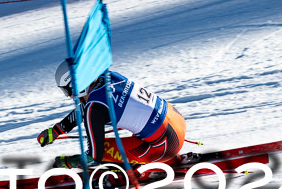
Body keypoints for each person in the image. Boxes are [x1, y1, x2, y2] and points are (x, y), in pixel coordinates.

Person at [37, 61, 187, 169]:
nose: (69, 97)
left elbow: (93, 158)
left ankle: (129, 172)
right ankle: (136, 162)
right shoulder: (108, 76)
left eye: (67, 91)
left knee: (104, 150)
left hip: (167, 146)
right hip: (177, 120)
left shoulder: (94, 109)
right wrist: (56, 130)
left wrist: (67, 162)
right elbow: (87, 107)